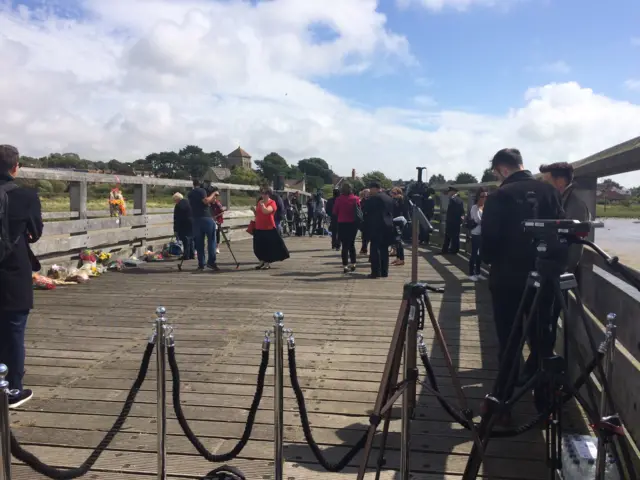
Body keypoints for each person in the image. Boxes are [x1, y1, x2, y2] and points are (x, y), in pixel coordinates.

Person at [481, 148, 564, 416]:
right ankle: (544, 402)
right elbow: (562, 233)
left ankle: (503, 403)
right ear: (520, 165)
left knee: (510, 340)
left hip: (507, 279)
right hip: (545, 275)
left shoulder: (499, 196)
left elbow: (489, 244)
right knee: (542, 336)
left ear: (502, 169)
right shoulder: (550, 192)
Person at [0, 144, 43, 409]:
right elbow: (35, 232)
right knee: (14, 331)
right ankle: (13, 388)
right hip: (13, 270)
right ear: (16, 166)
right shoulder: (27, 196)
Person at [539, 162, 591, 274]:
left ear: (561, 182)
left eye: (547, 181)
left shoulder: (576, 205)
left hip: (559, 271)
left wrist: (565, 271)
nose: (543, 185)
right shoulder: (558, 200)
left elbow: (576, 245)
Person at [364, 182, 396, 278]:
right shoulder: (389, 198)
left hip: (376, 226)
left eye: (370, 189)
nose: (370, 191)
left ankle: (375, 272)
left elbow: (366, 211)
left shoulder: (374, 198)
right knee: (384, 249)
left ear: (375, 188)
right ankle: (384, 271)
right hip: (388, 226)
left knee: (375, 249)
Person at [253, 187, 290, 270]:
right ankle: (261, 261)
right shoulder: (259, 202)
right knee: (258, 246)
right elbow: (258, 214)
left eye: (264, 193)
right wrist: (254, 211)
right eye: (261, 193)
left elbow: (266, 211)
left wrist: (262, 205)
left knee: (267, 246)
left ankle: (267, 262)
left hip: (268, 227)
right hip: (259, 226)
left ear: (268, 194)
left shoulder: (272, 202)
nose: (262, 195)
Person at [188, 179, 219, 271]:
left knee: (199, 242)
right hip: (206, 217)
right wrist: (214, 194)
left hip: (195, 219)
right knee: (212, 240)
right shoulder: (202, 191)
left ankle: (201, 263)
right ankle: (211, 262)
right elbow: (206, 201)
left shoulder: (190, 193)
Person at [332, 182, 361, 274]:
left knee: (344, 246)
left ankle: (345, 265)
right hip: (353, 224)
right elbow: (359, 212)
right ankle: (353, 263)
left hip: (342, 224)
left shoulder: (338, 199)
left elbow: (335, 212)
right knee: (351, 244)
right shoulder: (356, 199)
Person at [467, 188, 487, 281]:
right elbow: (477, 220)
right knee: (474, 253)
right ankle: (471, 273)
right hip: (476, 233)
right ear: (478, 197)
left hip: (483, 233)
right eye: (482, 196)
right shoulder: (474, 207)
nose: (484, 198)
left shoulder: (485, 207)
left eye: (486, 196)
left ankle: (478, 272)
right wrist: (487, 220)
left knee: (480, 254)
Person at [441, 186, 464, 254]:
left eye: (449, 192)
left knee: (450, 236)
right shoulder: (460, 200)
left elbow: (452, 211)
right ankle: (452, 250)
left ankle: (448, 250)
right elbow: (462, 211)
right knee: (455, 236)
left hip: (451, 221)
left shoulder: (453, 199)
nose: (448, 193)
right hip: (456, 221)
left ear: (452, 192)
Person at [172, 192, 194, 260]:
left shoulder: (178, 205)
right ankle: (192, 254)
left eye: (174, 200)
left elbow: (176, 218)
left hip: (183, 224)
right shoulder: (189, 202)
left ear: (177, 199)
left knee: (185, 240)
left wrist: (175, 229)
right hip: (192, 222)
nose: (175, 201)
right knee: (191, 239)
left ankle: (186, 255)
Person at [390, 187, 409, 267]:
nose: (392, 195)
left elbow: (403, 211)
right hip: (395, 221)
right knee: (396, 241)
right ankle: (398, 258)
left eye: (394, 193)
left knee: (398, 240)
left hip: (400, 221)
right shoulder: (395, 200)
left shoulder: (401, 200)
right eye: (392, 193)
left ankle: (401, 259)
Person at [207, 187, 225, 255]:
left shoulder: (218, 203)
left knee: (217, 233)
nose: (214, 199)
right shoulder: (210, 204)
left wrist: (216, 216)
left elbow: (222, 212)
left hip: (218, 220)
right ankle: (212, 246)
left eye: (215, 197)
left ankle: (217, 247)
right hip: (212, 220)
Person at [359, 189, 371, 255]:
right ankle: (364, 248)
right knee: (364, 236)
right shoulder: (361, 201)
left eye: (368, 193)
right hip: (363, 220)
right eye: (365, 193)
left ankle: (364, 248)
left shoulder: (372, 200)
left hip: (370, 220)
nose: (367, 194)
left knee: (368, 236)